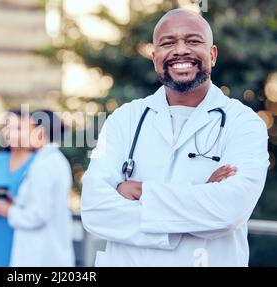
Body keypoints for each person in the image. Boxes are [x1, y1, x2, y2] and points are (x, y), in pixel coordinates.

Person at [81, 9, 269, 267]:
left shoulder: (244, 124)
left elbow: (228, 211)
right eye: (168, 43)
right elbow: (94, 210)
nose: (180, 50)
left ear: (212, 55)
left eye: (193, 41)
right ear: (155, 57)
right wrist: (199, 196)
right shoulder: (123, 119)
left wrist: (141, 191)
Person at [0, 110, 75, 267]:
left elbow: (38, 215)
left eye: (25, 129)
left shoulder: (44, 165)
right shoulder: (52, 160)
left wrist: (7, 211)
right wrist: (15, 203)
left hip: (41, 257)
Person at [0, 110, 36, 267]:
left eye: (18, 128)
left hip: (23, 235)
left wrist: (11, 207)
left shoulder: (38, 162)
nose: (11, 134)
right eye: (7, 128)